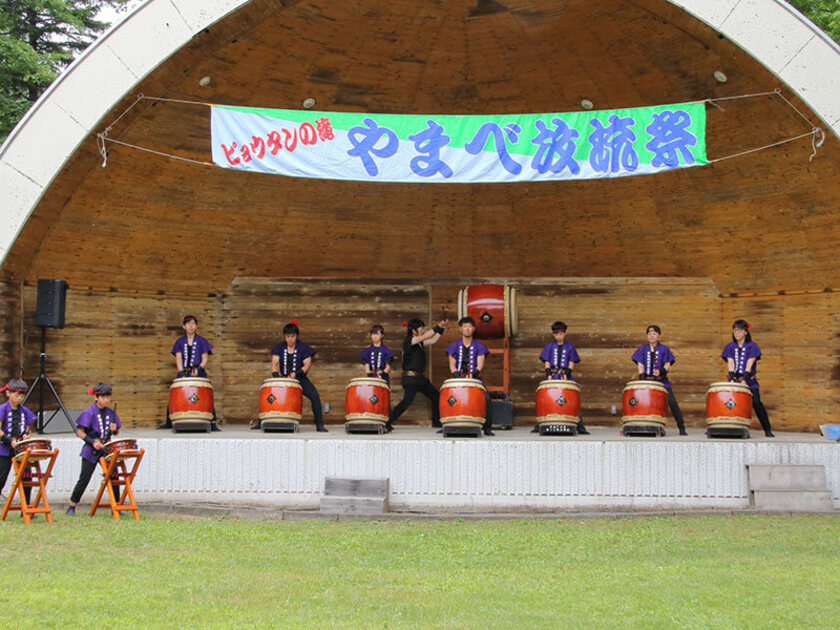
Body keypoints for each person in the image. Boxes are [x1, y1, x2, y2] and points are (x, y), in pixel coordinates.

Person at [66, 383, 121, 516]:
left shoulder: (111, 413)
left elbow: (116, 432)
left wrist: (114, 430)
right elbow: (80, 432)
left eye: (108, 397)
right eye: (103, 397)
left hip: (106, 449)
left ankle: (117, 506)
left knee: (114, 475)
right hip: (90, 449)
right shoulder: (89, 412)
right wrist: (92, 442)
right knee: (84, 478)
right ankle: (72, 505)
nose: (106, 400)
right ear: (96, 397)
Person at [387, 317, 447, 431]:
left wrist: (442, 327)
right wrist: (438, 325)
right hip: (410, 378)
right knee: (407, 401)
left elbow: (433, 340)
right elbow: (427, 336)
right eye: (421, 328)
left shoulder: (419, 343)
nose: (423, 330)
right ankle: (387, 421)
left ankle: (437, 422)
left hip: (420, 378)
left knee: (436, 396)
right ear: (413, 330)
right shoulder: (410, 340)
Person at [270, 320, 327, 432]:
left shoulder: (303, 347)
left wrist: (296, 374)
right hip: (283, 379)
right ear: (285, 336)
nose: (290, 339)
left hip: (299, 378)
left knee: (314, 396)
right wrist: (277, 378)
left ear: (296, 336)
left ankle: (319, 424)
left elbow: (307, 365)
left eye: (292, 336)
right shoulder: (279, 347)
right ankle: (262, 420)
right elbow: (274, 363)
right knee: (271, 397)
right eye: (288, 337)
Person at [534, 321, 590, 434]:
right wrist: (548, 372)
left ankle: (579, 425)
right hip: (553, 375)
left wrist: (568, 372)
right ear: (553, 334)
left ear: (565, 333)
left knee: (571, 397)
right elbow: (547, 361)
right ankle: (539, 424)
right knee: (546, 398)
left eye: (561, 334)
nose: (559, 336)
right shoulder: (549, 347)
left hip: (565, 375)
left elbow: (571, 361)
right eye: (557, 334)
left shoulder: (570, 347)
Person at [721, 319, 774, 437]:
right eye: (735, 330)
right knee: (731, 404)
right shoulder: (730, 346)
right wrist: (732, 379)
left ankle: (767, 429)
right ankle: (729, 428)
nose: (737, 333)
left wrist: (744, 379)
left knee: (756, 402)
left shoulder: (752, 346)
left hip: (750, 380)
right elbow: (730, 363)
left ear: (745, 332)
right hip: (735, 381)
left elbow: (749, 364)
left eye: (740, 330)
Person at [631, 325, 687, 435]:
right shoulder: (642, 349)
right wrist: (642, 380)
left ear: (659, 335)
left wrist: (661, 371)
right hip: (646, 381)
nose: (652, 336)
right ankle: (634, 425)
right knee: (637, 402)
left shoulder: (664, 349)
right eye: (649, 334)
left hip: (662, 382)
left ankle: (681, 427)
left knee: (672, 403)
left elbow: (667, 364)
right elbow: (640, 365)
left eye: (654, 334)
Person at [445, 316, 495, 436]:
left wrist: (473, 374)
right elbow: (452, 366)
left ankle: (487, 427)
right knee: (449, 399)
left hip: (474, 379)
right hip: (457, 380)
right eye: (465, 326)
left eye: (470, 327)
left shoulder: (479, 346)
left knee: (486, 399)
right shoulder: (454, 346)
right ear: (460, 329)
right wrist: (457, 375)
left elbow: (480, 365)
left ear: (474, 329)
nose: (467, 329)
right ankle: (447, 424)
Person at [0, 379, 36, 504]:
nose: (20, 398)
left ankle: (25, 508)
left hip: (20, 449)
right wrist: (9, 440)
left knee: (27, 477)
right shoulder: (2, 409)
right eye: (17, 395)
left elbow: (28, 428)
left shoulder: (25, 411)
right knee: (1, 478)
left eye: (22, 395)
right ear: (8, 393)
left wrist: (26, 435)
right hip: (3, 448)